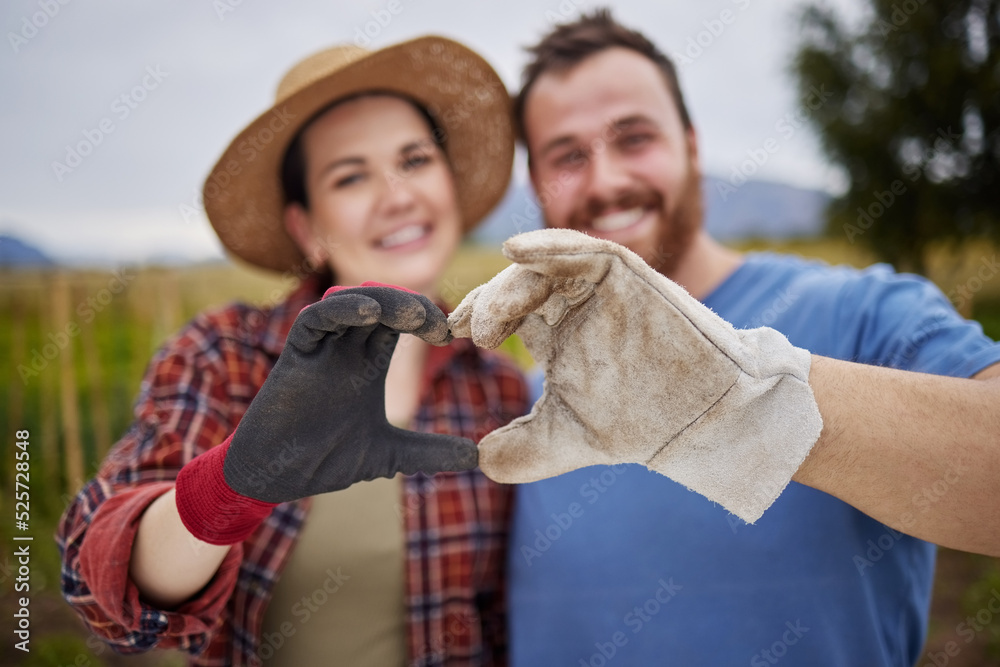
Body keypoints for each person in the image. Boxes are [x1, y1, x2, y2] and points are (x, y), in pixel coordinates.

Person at [469, 10, 999, 666]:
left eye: (633, 138)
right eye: (567, 156)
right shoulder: (527, 406)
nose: (605, 181)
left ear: (692, 147)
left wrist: (742, 393)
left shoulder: (860, 313)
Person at [56, 37, 529, 667]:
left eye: (414, 160)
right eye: (351, 175)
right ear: (307, 229)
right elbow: (99, 589)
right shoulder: (222, 357)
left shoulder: (497, 386)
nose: (396, 195)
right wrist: (230, 488)